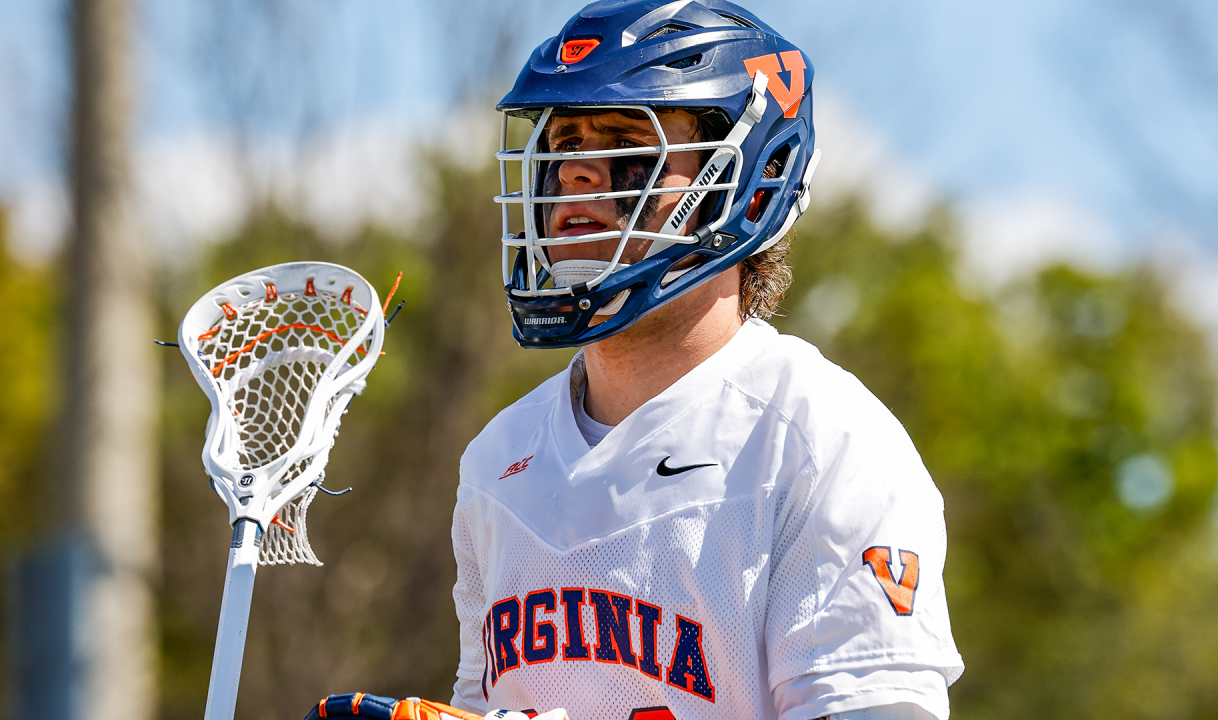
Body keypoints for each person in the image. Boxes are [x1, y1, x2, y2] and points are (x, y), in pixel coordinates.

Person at [308, 1, 962, 719]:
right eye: (563, 144)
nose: (578, 175)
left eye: (626, 140)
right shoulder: (498, 461)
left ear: (742, 179)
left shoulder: (821, 441)